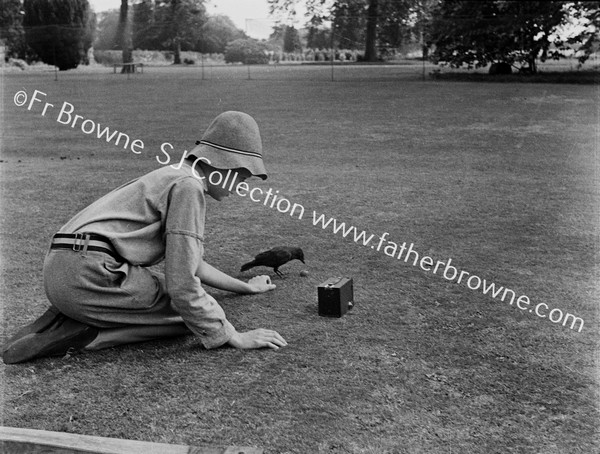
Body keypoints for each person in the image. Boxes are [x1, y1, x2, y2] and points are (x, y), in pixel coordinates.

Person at [3, 111, 288, 364]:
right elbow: (183, 285)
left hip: (61, 271)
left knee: (196, 307)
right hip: (90, 274)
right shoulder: (189, 187)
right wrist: (232, 335)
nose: (239, 187)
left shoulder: (174, 174)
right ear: (224, 164)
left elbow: (193, 265)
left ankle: (70, 315)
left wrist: (245, 287)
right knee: (194, 318)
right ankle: (87, 336)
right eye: (242, 175)